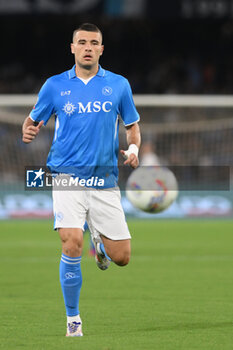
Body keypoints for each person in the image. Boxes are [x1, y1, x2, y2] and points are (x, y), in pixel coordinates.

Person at [22, 23, 141, 337]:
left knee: (123, 258)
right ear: (72, 48)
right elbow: (32, 119)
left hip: (105, 180)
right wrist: (28, 129)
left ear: (102, 49)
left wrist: (133, 148)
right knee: (71, 243)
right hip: (66, 176)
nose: (88, 47)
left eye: (94, 43)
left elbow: (132, 126)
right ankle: (73, 320)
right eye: (82, 42)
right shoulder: (54, 86)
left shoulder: (118, 85)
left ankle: (99, 240)